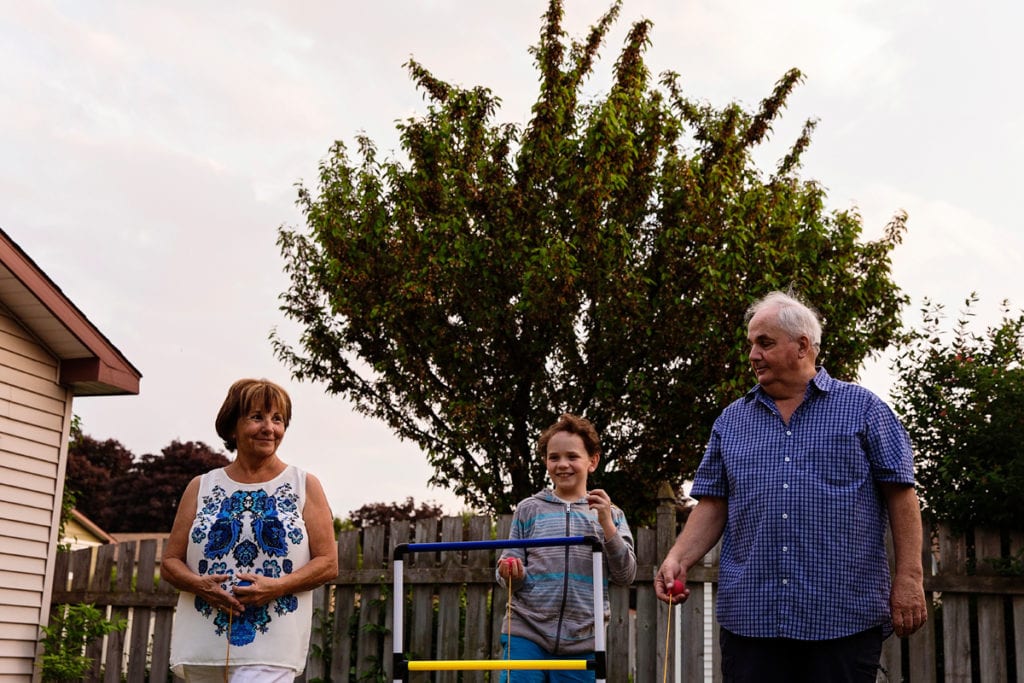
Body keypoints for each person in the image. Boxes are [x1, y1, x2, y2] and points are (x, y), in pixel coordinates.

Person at [654, 291, 928, 683]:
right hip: (751, 620)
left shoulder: (865, 411)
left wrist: (909, 578)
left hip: (842, 618)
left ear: (802, 346)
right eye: (751, 344)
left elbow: (901, 495)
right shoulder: (731, 422)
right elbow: (713, 504)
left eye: (764, 343)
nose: (753, 354)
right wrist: (678, 557)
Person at [164, 378, 339, 682]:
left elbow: (328, 563)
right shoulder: (201, 486)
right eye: (257, 417)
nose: (269, 428)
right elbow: (170, 563)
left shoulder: (304, 485)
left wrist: (276, 587)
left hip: (272, 646)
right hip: (203, 645)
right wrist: (200, 584)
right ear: (232, 426)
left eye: (277, 419)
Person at [496, 413, 637, 682]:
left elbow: (625, 575)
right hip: (526, 631)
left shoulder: (613, 515)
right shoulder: (529, 509)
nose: (563, 465)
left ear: (592, 461)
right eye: (554, 457)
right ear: (546, 462)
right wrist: (511, 573)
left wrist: (606, 524)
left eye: (572, 456)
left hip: (583, 640)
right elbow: (507, 569)